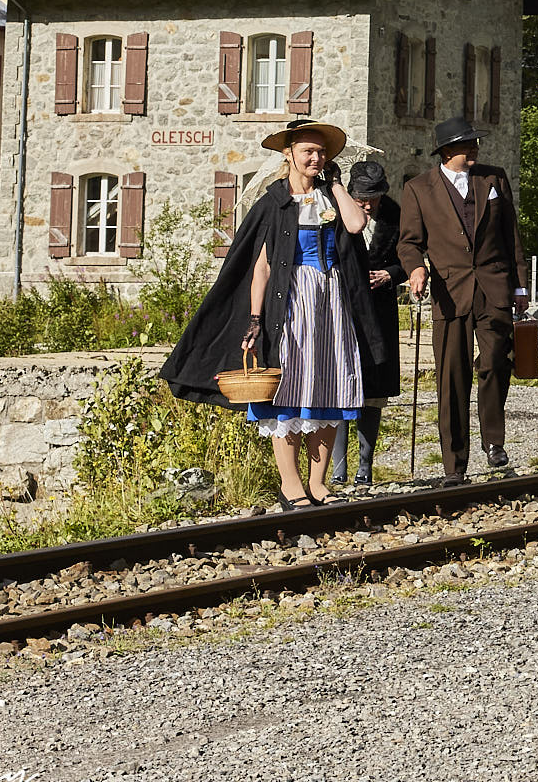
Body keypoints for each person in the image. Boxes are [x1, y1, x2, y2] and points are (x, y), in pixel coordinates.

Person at [161, 118, 392, 510]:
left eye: (322, 152)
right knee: (287, 392)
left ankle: (319, 485)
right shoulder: (272, 202)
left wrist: (335, 183)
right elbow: (261, 267)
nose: (316, 158)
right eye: (309, 151)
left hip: (331, 301)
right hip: (290, 302)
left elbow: (356, 224)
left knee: (329, 390)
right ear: (289, 155)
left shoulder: (330, 197)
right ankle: (291, 486)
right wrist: (254, 320)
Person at [396, 116, 525, 485]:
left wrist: (519, 285)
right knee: (452, 378)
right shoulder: (419, 188)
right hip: (449, 293)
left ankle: (493, 442)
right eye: (467, 145)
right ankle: (454, 463)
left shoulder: (494, 178)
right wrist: (416, 269)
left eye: (476, 145)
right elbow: (408, 242)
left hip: (494, 286)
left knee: (497, 362)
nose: (475, 150)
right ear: (447, 150)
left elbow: (510, 232)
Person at [344, 157, 405, 486]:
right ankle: (338, 467)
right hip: (343, 308)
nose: (367, 205)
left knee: (372, 389)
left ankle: (364, 466)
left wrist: (390, 274)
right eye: (361, 198)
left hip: (379, 311)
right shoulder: (337, 212)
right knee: (339, 387)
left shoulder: (396, 214)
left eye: (373, 198)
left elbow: (409, 257)